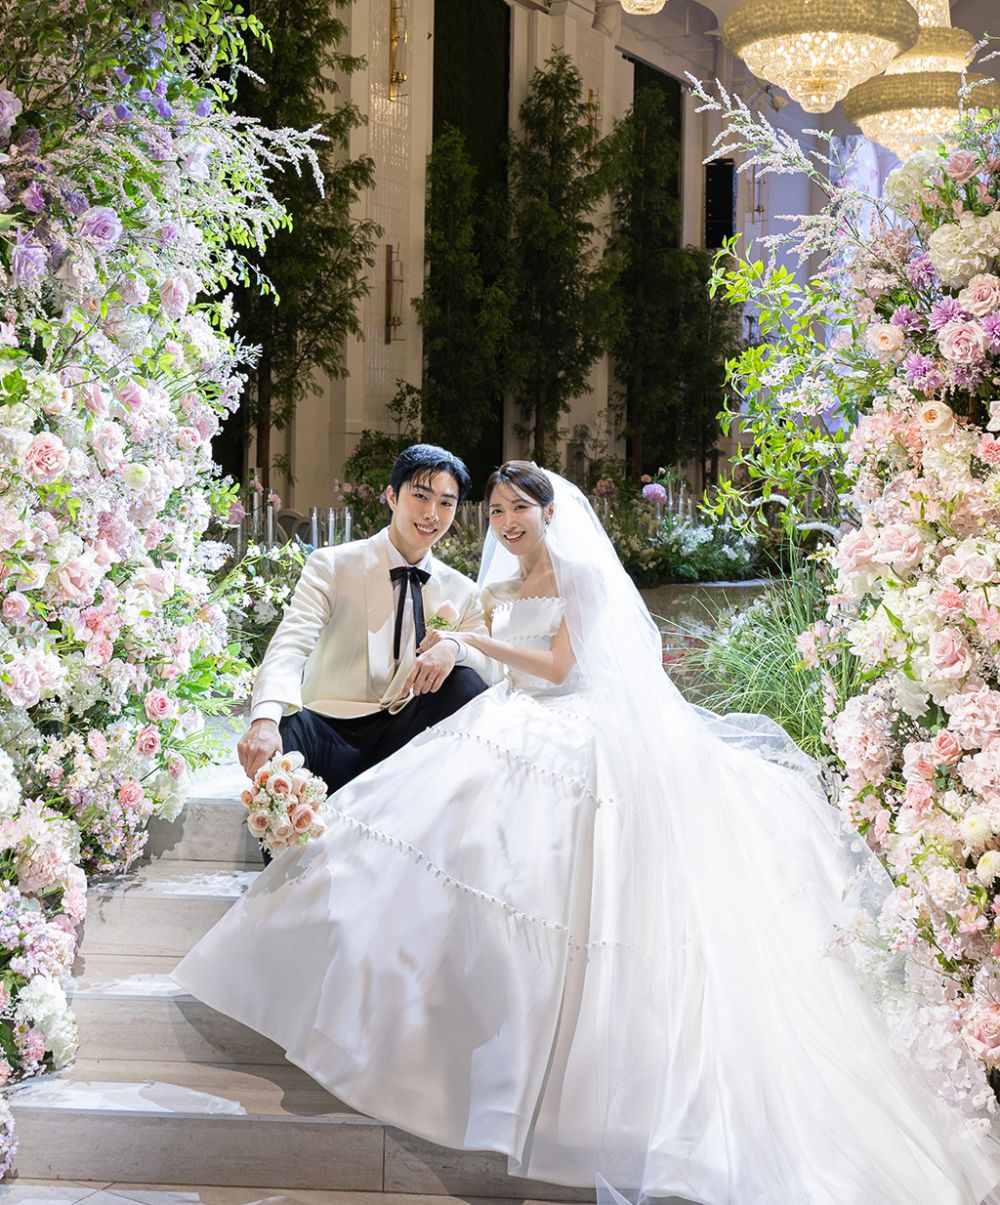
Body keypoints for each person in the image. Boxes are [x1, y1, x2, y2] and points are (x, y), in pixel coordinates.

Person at [175, 462, 1000, 1205]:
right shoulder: (490, 581)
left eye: (518, 509)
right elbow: (486, 662)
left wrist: (466, 640)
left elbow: (559, 667)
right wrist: (462, 643)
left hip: (574, 723)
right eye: (496, 511)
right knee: (427, 824)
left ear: (550, 512)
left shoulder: (573, 575)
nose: (506, 522)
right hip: (450, 716)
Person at [237, 443, 500, 796]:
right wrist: (264, 720)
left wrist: (454, 646)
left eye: (445, 503)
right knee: (283, 728)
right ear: (392, 496)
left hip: (406, 744)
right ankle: (291, 825)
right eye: (420, 496)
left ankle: (440, 811)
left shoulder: (461, 590)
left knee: (465, 681)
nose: (431, 514)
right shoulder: (333, 565)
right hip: (329, 731)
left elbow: (492, 669)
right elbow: (291, 643)